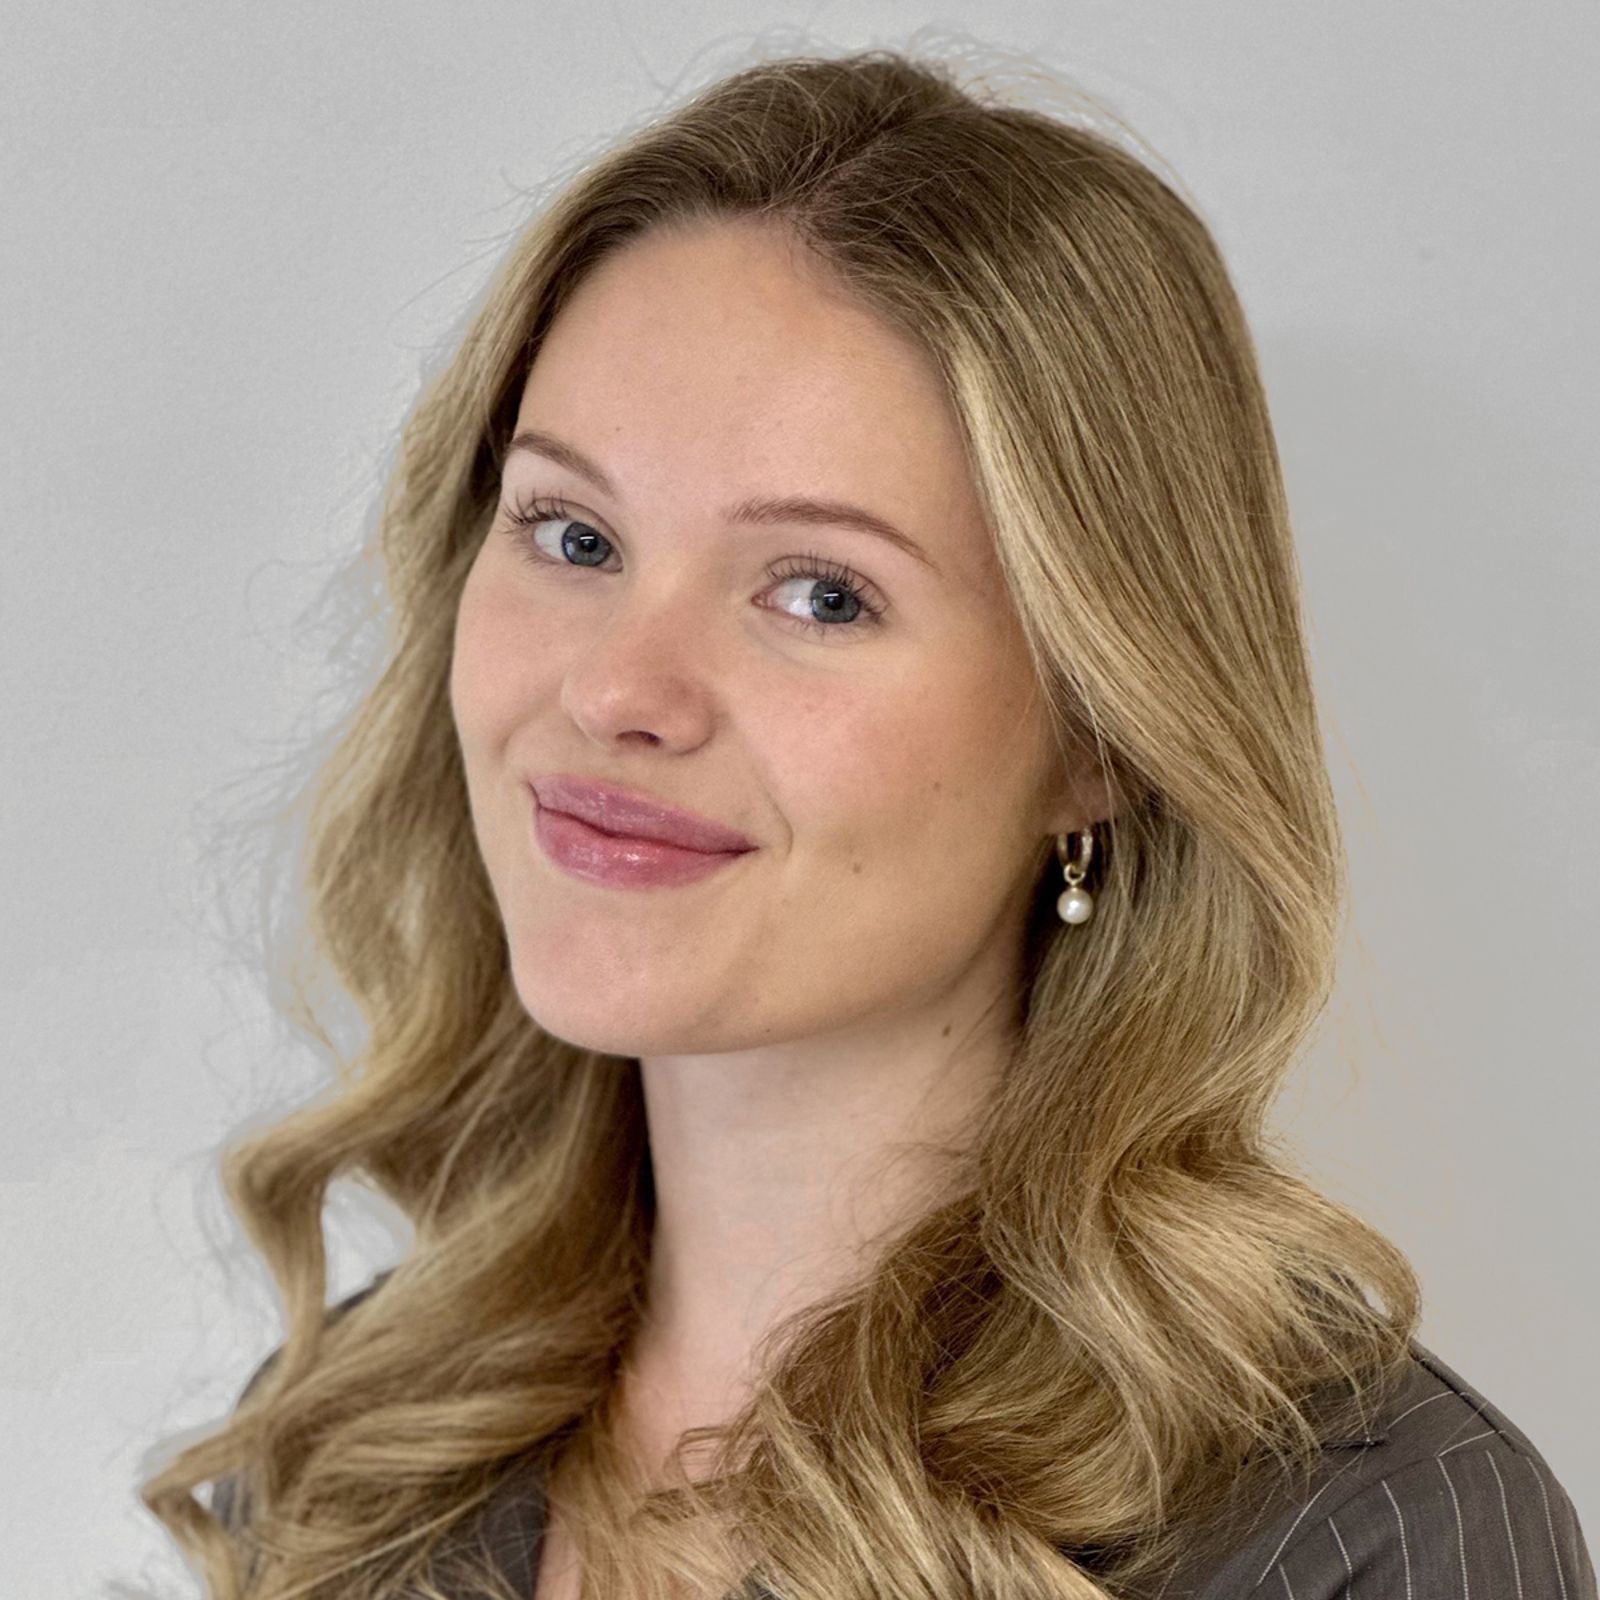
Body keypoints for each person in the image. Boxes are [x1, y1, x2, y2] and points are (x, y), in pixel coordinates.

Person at [140, 44, 1595, 1600]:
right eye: (572, 533)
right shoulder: (359, 1446)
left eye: (820, 592)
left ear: (1099, 736)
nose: (623, 687)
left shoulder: (1367, 1538)